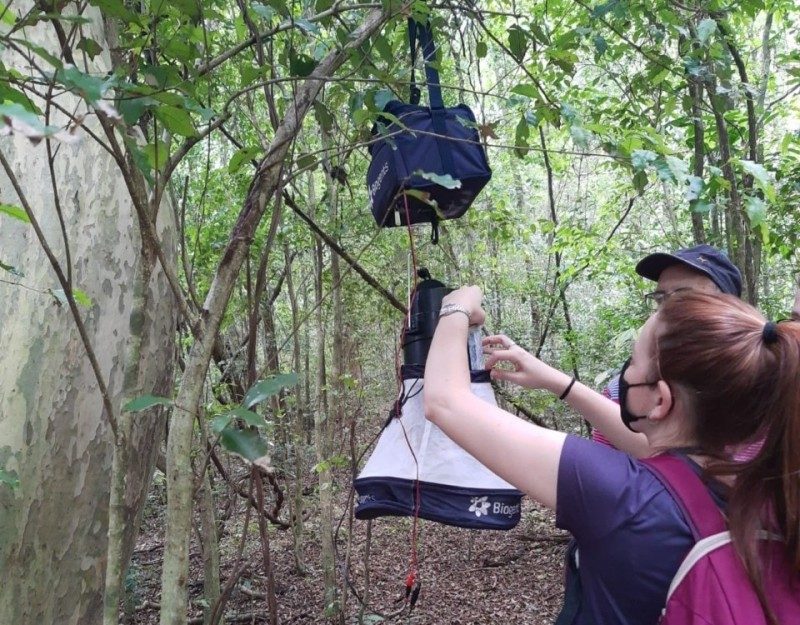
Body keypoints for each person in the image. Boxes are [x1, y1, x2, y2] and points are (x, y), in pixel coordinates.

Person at [424, 287, 799, 625]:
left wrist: (456, 305)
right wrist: (554, 380)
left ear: (660, 399)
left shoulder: (624, 498)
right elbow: (649, 446)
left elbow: (446, 402)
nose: (625, 375)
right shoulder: (772, 494)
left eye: (632, 363)